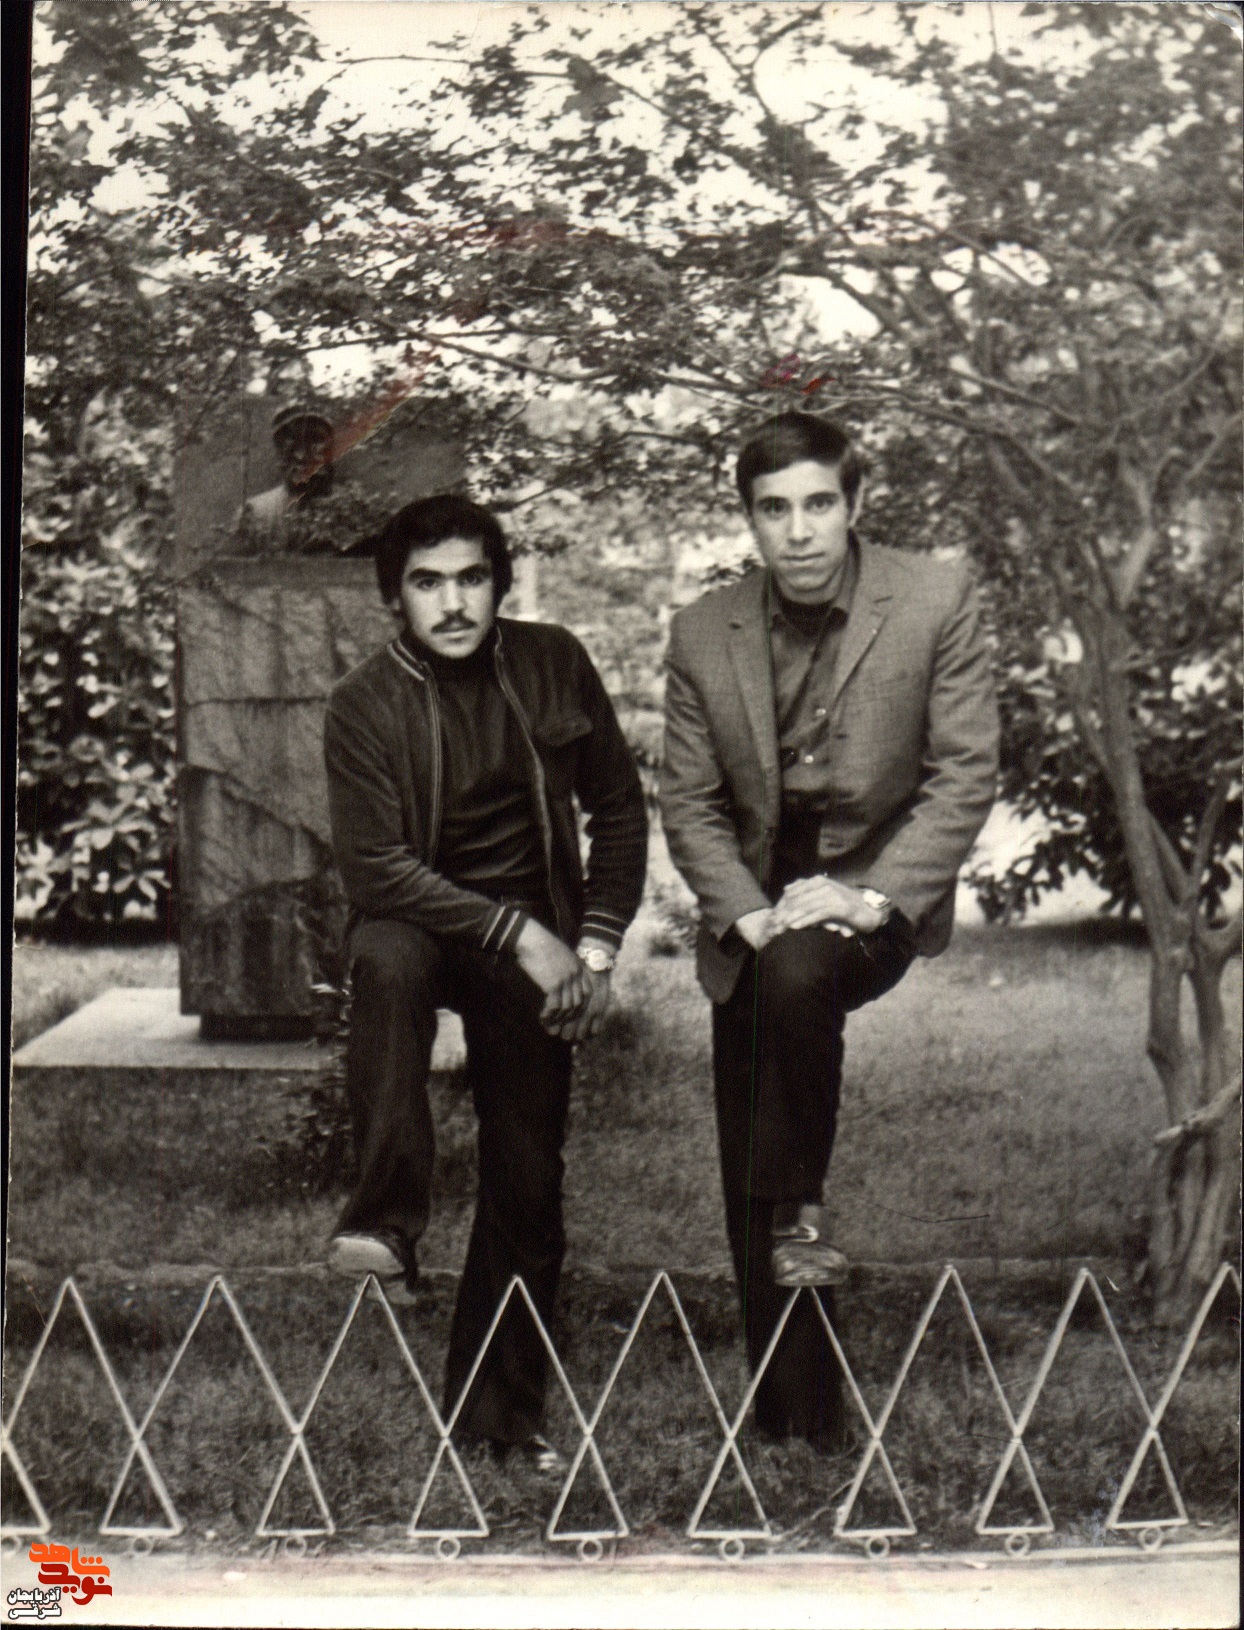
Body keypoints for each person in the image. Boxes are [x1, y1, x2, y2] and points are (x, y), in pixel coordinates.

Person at [659, 411, 998, 1450]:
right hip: (755, 896)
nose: (798, 531)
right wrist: (746, 913)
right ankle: (794, 1415)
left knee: (800, 976)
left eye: (818, 504)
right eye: (774, 510)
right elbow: (690, 803)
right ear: (749, 519)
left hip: (871, 888)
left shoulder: (934, 597)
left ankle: (801, 1211)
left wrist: (869, 898)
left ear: (855, 504)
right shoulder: (702, 630)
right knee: (749, 1108)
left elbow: (963, 774)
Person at [322, 493, 647, 1468]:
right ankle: (384, 1222)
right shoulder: (362, 702)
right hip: (421, 919)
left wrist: (591, 950)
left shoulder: (554, 661)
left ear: (500, 582)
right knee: (385, 956)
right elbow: (375, 869)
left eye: (471, 577)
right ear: (394, 596)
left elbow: (619, 810)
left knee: (528, 1170)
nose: (453, 601)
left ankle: (497, 1419)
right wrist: (519, 933)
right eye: (427, 583)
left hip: (535, 939)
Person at [235, 400, 335, 551]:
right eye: (293, 442)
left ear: (331, 450)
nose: (302, 454)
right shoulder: (253, 515)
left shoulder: (354, 514)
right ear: (279, 452)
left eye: (315, 440)